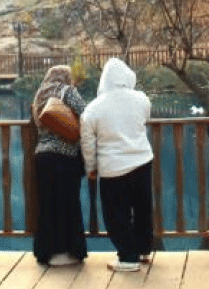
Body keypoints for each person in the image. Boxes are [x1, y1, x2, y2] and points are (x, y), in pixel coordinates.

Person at [81, 58, 154, 272]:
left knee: (116, 213)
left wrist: (91, 167)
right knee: (142, 208)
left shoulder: (93, 109)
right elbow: (144, 119)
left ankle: (127, 257)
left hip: (113, 168)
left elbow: (87, 143)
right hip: (142, 161)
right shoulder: (141, 99)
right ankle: (142, 250)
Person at [29, 65, 89, 267]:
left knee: (47, 205)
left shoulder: (39, 95)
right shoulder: (67, 91)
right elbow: (85, 113)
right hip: (64, 156)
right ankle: (69, 252)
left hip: (42, 156)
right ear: (66, 77)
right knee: (68, 203)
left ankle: (46, 253)